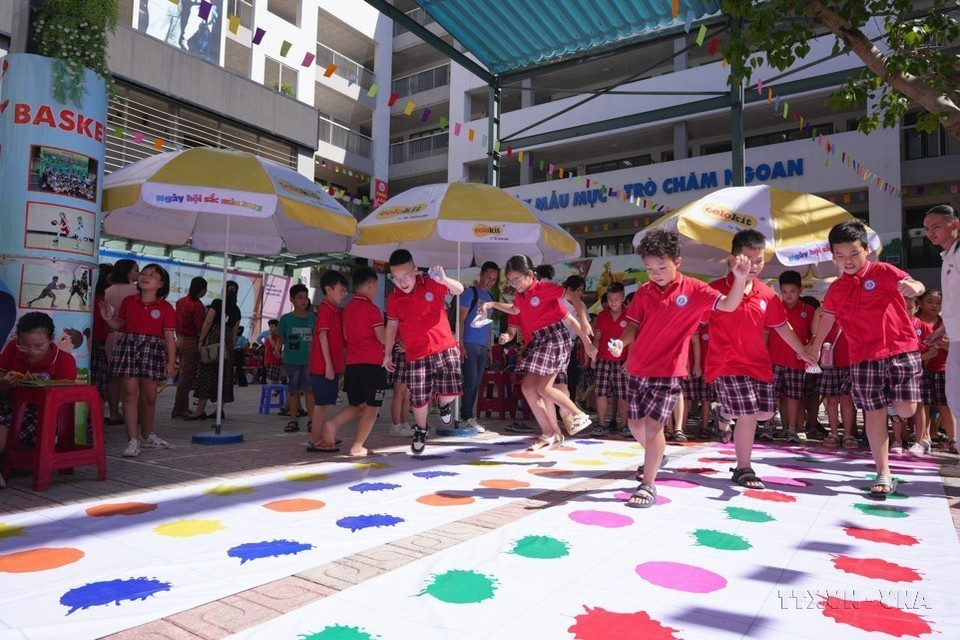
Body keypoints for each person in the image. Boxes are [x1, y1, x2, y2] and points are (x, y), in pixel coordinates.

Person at [608, 229, 751, 507]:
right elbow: (633, 326)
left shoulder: (695, 290)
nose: (655, 273)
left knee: (653, 427)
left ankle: (648, 485)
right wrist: (621, 344)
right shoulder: (643, 293)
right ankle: (656, 456)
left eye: (661, 267)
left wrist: (740, 279)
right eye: (649, 268)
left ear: (678, 262)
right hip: (637, 369)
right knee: (635, 425)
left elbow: (729, 305)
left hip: (669, 371)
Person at [806, 220, 925, 497]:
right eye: (840, 256)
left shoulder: (882, 272)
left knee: (906, 409)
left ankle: (894, 408)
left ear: (867, 250)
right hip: (862, 358)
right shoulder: (836, 289)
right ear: (832, 255)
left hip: (900, 350)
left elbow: (913, 283)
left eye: (854, 254)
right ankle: (883, 472)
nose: (847, 261)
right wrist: (814, 347)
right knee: (874, 414)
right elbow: (827, 318)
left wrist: (915, 288)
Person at [707, 230, 817, 491]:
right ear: (732, 258)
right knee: (746, 414)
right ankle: (744, 468)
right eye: (747, 260)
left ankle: (722, 412)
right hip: (726, 363)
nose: (753, 266)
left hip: (759, 364)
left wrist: (803, 351)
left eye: (759, 260)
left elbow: (782, 326)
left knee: (765, 413)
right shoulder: (714, 290)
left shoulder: (766, 294)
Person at [480, 255, 596, 451]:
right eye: (510, 281)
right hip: (538, 342)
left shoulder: (544, 289)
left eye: (517, 279)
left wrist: (585, 327)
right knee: (528, 388)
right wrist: (492, 305)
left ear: (530, 275)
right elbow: (515, 310)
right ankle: (550, 433)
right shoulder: (520, 296)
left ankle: (577, 413)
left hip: (554, 338)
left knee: (545, 388)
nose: (514, 284)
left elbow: (573, 299)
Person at [383, 250, 464, 455]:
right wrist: (387, 353)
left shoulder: (431, 283)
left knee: (451, 391)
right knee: (418, 399)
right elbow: (392, 326)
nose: (402, 282)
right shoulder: (394, 299)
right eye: (396, 279)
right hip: (416, 355)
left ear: (416, 271)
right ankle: (421, 429)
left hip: (444, 346)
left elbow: (459, 289)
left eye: (406, 277)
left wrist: (444, 279)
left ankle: (444, 405)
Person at [102, 264, 176, 457]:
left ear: (161, 284)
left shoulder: (166, 308)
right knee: (129, 393)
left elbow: (169, 337)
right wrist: (108, 318)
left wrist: (171, 362)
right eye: (143, 273)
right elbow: (120, 326)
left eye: (152, 275)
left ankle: (147, 434)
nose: (145, 276)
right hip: (128, 346)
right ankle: (132, 440)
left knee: (150, 397)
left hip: (153, 350)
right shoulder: (128, 301)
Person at [0, 312, 78, 488]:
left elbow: (64, 401)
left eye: (38, 346)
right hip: (9, 405)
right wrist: (5, 383)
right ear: (17, 338)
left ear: (51, 339)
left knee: (5, 422)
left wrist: (42, 386)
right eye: (25, 346)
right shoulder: (13, 348)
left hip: (41, 415)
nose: (31, 351)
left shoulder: (64, 361)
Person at [315, 267, 386, 456]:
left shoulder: (347, 309)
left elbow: (346, 336)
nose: (376, 290)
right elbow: (383, 338)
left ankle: (332, 424)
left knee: (358, 405)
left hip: (353, 364)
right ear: (370, 286)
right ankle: (357, 446)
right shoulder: (372, 310)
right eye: (376, 287)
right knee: (372, 407)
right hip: (372, 363)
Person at [922, 207, 960, 478]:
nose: (930, 232)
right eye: (926, 228)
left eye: (935, 226)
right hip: (955, 335)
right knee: (955, 397)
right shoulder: (948, 255)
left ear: (953, 224)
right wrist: (943, 328)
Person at [767, 270, 816, 443]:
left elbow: (815, 335)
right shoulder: (774, 308)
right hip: (773, 360)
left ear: (800, 290)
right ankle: (769, 426)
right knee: (771, 395)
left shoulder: (808, 311)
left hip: (796, 362)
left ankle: (792, 429)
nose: (788, 296)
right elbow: (766, 332)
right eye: (785, 291)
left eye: (793, 291)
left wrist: (807, 348)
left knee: (794, 397)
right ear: (780, 290)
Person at [190, 280, 241, 421]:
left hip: (214, 339)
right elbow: (235, 332)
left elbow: (208, 322)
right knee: (225, 376)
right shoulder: (236, 310)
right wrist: (230, 347)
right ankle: (219, 410)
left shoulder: (217, 303)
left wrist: (201, 341)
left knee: (207, 373)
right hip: (227, 343)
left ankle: (200, 410)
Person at [459, 261, 499, 433]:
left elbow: (488, 325)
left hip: (483, 347)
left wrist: (490, 348)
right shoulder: (470, 293)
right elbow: (460, 320)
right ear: (481, 274)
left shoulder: (490, 299)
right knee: (470, 381)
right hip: (468, 342)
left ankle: (469, 417)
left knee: (476, 383)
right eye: (488, 277)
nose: (490, 281)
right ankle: (466, 417)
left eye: (494, 279)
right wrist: (459, 345)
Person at [307, 272, 346, 443]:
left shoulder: (335, 310)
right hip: (322, 366)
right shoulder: (325, 310)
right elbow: (322, 336)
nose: (343, 294)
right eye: (341, 290)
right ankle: (316, 439)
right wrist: (328, 366)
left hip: (331, 366)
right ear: (328, 289)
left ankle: (323, 436)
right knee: (321, 404)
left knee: (326, 404)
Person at [915, 289, 955, 454]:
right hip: (920, 368)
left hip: (942, 367)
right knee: (922, 404)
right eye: (930, 302)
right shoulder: (914, 321)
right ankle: (924, 438)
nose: (934, 305)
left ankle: (953, 439)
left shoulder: (946, 323)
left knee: (944, 404)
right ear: (921, 304)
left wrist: (947, 346)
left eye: (938, 303)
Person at [103, 260, 140, 426]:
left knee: (113, 378)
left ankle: (113, 414)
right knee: (131, 377)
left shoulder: (108, 290)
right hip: (131, 336)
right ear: (127, 272)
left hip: (112, 335)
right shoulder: (135, 290)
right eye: (136, 270)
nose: (138, 274)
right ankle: (131, 413)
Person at [275, 283, 316, 432]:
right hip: (291, 361)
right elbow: (281, 338)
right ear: (291, 299)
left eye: (306, 297)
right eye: (300, 297)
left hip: (309, 362)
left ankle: (312, 421)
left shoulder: (313, 318)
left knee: (310, 391)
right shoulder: (286, 319)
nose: (304, 301)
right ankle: (293, 420)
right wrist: (277, 349)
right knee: (293, 391)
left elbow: (318, 339)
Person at [590, 282, 629, 437]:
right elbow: (598, 338)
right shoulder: (602, 316)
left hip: (622, 360)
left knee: (622, 395)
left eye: (617, 299)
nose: (613, 302)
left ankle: (625, 425)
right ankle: (601, 424)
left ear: (623, 298)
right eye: (611, 299)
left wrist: (629, 360)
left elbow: (632, 340)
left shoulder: (630, 314)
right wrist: (593, 357)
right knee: (601, 393)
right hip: (603, 360)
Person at [817, 307, 857, 449]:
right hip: (831, 364)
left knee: (847, 400)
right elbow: (821, 338)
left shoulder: (855, 318)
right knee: (832, 400)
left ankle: (848, 434)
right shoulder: (827, 319)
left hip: (850, 364)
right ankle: (833, 433)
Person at [172, 276, 207, 419]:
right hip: (191, 341)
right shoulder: (197, 305)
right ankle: (179, 408)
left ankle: (183, 407)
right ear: (203, 289)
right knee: (186, 378)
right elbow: (199, 326)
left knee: (184, 376)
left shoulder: (181, 301)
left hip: (179, 339)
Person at [90, 263, 113, 405]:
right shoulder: (100, 304)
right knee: (97, 388)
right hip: (97, 347)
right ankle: (94, 421)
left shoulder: (94, 302)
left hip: (93, 346)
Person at [387, 340, 413, 436]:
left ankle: (404, 423)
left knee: (406, 394)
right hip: (401, 354)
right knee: (399, 393)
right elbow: (399, 339)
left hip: (408, 354)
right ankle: (396, 425)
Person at [263, 319, 283, 386]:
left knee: (273, 377)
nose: (270, 328)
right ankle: (275, 389)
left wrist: (270, 338)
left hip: (275, 360)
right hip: (269, 360)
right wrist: (265, 360)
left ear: (277, 327)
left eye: (272, 326)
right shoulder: (269, 337)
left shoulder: (278, 336)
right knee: (270, 376)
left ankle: (272, 390)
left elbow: (276, 346)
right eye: (270, 327)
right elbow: (266, 349)